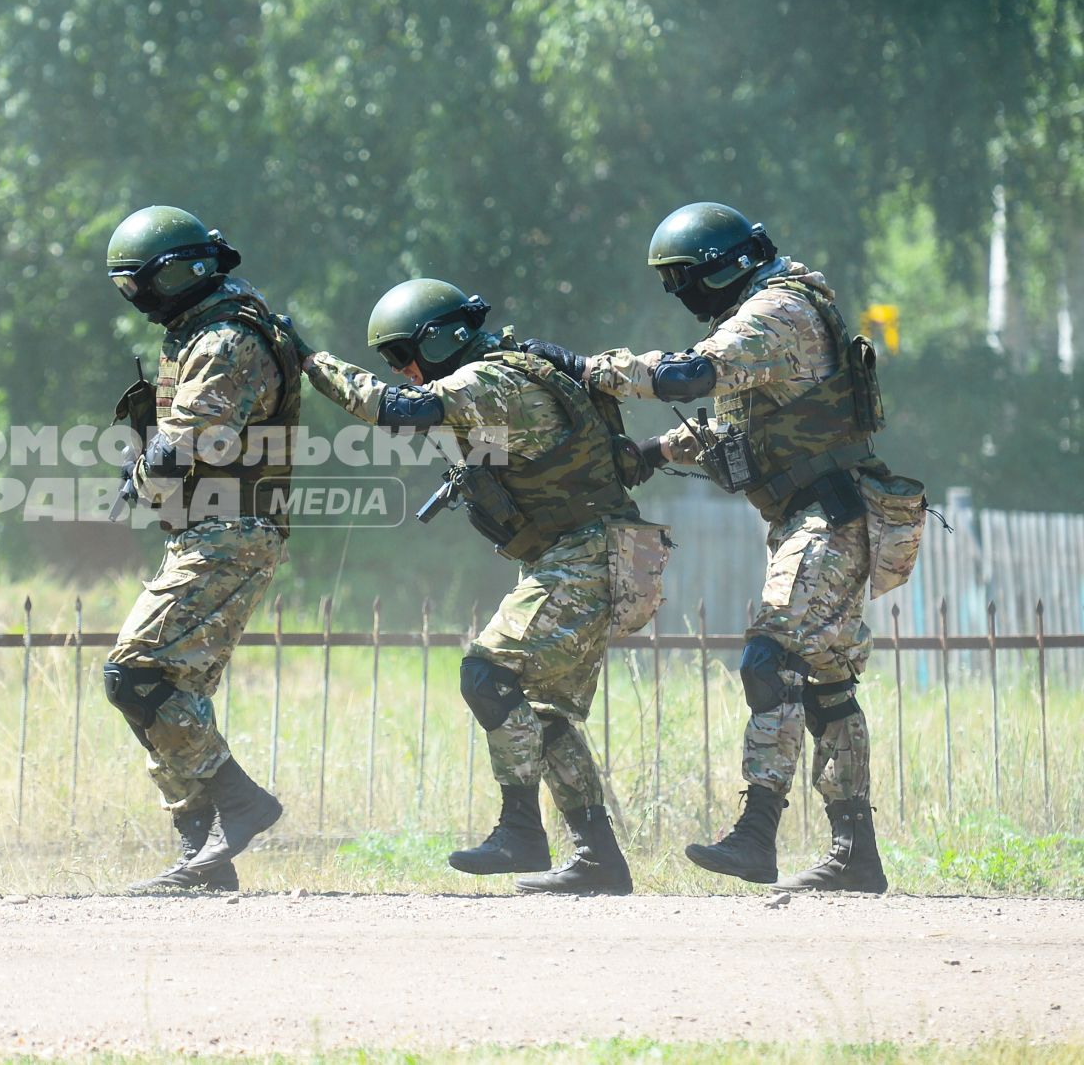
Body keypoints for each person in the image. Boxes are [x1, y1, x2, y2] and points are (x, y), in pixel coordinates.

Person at [583, 200, 916, 893]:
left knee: (772, 659)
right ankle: (857, 853)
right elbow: (740, 430)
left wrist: (595, 369)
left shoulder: (776, 312)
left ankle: (757, 834)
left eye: (685, 281)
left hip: (832, 514)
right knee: (826, 684)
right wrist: (651, 452)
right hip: (824, 514)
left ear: (720, 267)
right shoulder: (776, 310)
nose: (683, 297)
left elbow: (690, 376)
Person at [297, 278, 666, 894]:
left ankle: (521, 832)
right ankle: (598, 860)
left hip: (590, 555)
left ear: (440, 341)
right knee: (543, 713)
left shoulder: (492, 380)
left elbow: (398, 412)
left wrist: (314, 363)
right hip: (587, 555)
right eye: (393, 362)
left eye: (402, 356)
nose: (404, 372)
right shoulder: (514, 375)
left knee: (487, 674)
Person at [103, 205, 297, 892]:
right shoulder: (204, 330)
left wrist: (139, 476)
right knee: (168, 693)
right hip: (210, 528)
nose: (139, 302)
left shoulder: (224, 339)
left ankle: (239, 803)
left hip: (231, 529)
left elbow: (187, 439)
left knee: (135, 675)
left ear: (177, 274)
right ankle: (202, 855)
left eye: (141, 287)